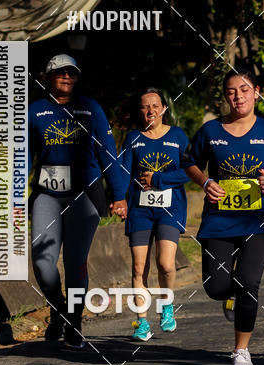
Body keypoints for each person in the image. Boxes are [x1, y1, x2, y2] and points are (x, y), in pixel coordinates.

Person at [184, 67, 264, 365]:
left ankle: (241, 350)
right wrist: (205, 182)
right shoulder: (210, 131)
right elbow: (189, 163)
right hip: (219, 221)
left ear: (256, 92)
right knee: (216, 286)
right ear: (225, 97)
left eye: (244, 90)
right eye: (232, 91)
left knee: (249, 283)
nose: (238, 97)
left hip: (258, 222)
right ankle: (229, 297)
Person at [29, 54, 126, 348]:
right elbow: (19, 158)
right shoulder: (34, 111)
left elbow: (108, 153)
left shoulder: (90, 109)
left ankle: (74, 320)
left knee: (74, 262)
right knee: (43, 263)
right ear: (47, 77)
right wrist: (12, 197)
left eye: (72, 73)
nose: (67, 77)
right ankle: (59, 309)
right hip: (47, 194)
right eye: (60, 73)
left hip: (84, 194)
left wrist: (120, 195)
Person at [117, 88, 190, 340]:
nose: (151, 111)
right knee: (139, 267)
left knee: (166, 264)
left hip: (170, 208)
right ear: (140, 111)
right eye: (145, 106)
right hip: (140, 210)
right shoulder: (133, 138)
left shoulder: (178, 136)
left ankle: (167, 306)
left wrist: (159, 178)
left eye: (155, 105)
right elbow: (123, 173)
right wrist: (119, 200)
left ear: (164, 109)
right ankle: (141, 323)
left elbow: (191, 172)